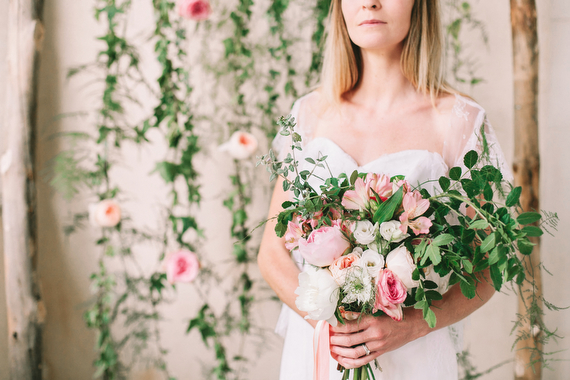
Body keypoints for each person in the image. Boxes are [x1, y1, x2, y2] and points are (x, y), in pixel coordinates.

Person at [258, 0, 511, 379]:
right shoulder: (310, 114)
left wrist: (413, 324)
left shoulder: (458, 120)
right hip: (321, 350)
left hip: (413, 354)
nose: (370, 2)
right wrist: (326, 317)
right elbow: (272, 251)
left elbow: (492, 262)